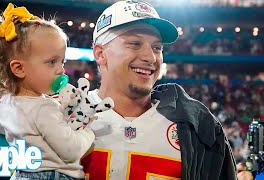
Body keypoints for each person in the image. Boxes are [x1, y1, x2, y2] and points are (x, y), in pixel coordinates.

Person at [80, 0, 237, 179]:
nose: (150, 57)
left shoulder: (197, 129)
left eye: (157, 47)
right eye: (134, 43)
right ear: (100, 54)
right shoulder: (60, 117)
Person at [0, 3, 96, 180]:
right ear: (19, 69)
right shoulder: (43, 110)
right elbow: (71, 151)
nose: (61, 70)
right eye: (52, 62)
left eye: (62, 62)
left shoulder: (6, 104)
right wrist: (88, 131)